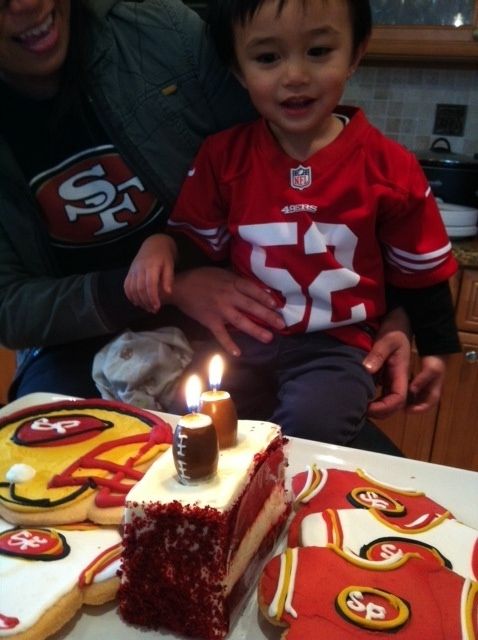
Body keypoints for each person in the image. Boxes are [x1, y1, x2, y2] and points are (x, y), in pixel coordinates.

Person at [0, 0, 408, 422]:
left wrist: (394, 312)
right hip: (74, 341)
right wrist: (168, 285)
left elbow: (309, 169)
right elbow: (10, 310)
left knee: (303, 448)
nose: (29, 4)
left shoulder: (165, 34)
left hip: (237, 327)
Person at [124, 0, 460, 443]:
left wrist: (436, 352)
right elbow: (196, 243)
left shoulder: (390, 167)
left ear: (356, 53)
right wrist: (161, 244)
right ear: (239, 71)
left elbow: (423, 271)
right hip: (244, 341)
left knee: (311, 425)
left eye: (318, 51)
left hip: (336, 348)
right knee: (196, 425)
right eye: (268, 58)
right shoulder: (221, 158)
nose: (295, 75)